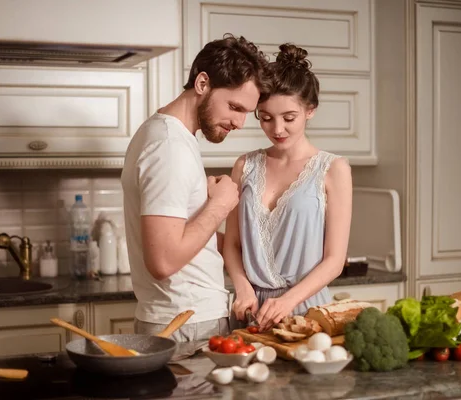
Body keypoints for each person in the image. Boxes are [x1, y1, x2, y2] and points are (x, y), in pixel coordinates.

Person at [120, 34, 270, 353]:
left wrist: (234, 244)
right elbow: (162, 260)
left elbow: (180, 235)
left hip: (183, 320)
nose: (241, 123)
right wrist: (220, 205)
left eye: (247, 112)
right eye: (234, 107)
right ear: (202, 83)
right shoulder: (169, 147)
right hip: (186, 324)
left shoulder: (168, 135)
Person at [223, 43, 353, 332]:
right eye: (266, 118)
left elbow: (335, 261)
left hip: (308, 311)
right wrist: (243, 288)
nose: (277, 129)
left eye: (289, 118)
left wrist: (287, 302)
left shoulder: (333, 169)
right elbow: (232, 244)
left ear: (310, 111)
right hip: (250, 312)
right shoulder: (244, 166)